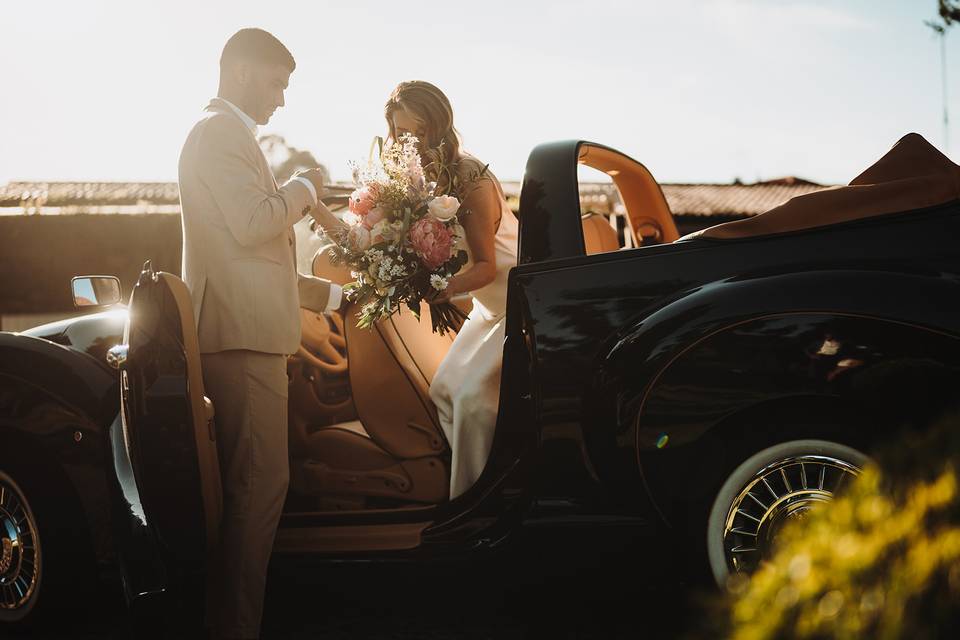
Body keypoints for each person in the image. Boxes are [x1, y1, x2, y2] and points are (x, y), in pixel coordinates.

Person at [178, 28, 342, 640]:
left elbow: (251, 256)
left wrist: (337, 296)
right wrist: (303, 186)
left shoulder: (225, 134)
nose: (281, 99)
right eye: (278, 82)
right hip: (242, 343)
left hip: (249, 334)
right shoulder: (218, 132)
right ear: (244, 72)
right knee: (256, 494)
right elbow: (255, 225)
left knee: (256, 492)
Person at [384, 80, 519, 500]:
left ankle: (480, 509)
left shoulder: (468, 177)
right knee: (444, 390)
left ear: (439, 125)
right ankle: (479, 483)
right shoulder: (418, 181)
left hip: (518, 298)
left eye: (419, 132)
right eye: (401, 134)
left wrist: (440, 289)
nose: (411, 142)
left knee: (476, 403)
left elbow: (484, 267)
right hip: (486, 305)